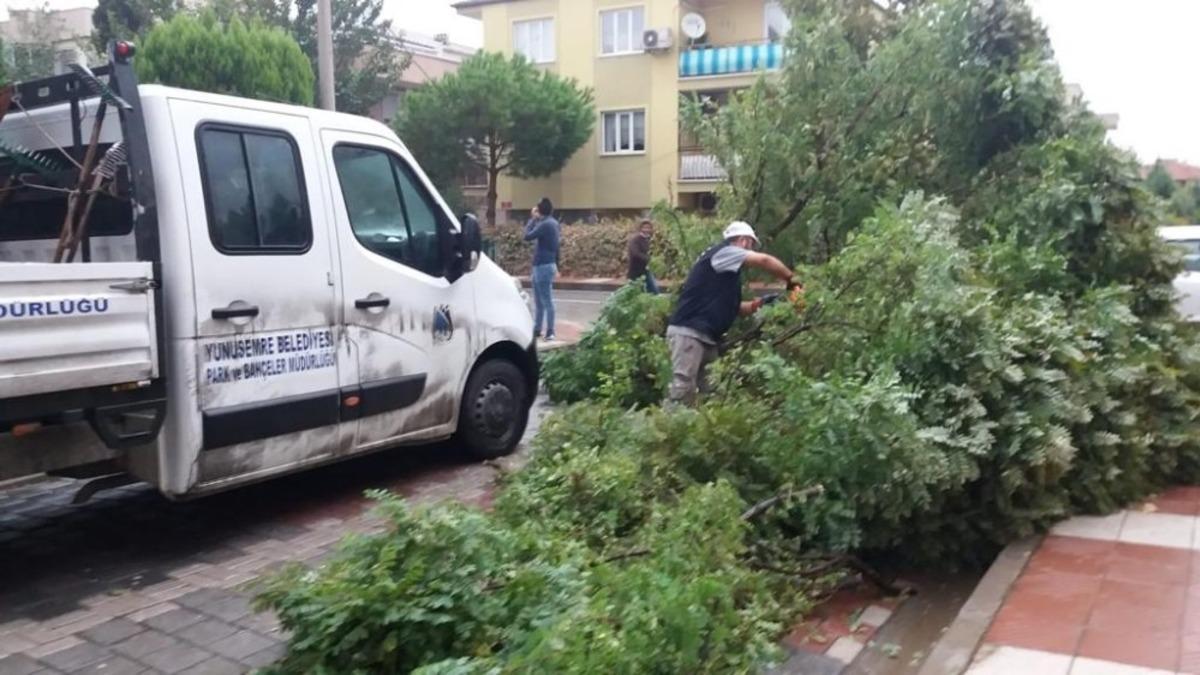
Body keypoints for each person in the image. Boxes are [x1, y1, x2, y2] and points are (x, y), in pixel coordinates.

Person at [666, 221, 800, 405]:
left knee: (713, 395)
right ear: (744, 241)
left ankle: (700, 431)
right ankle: (670, 430)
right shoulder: (724, 252)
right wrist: (792, 281)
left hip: (707, 338)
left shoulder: (725, 272)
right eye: (751, 245)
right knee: (682, 389)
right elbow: (764, 261)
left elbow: (733, 308)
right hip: (689, 333)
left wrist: (761, 303)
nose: (750, 250)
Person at [525, 197, 561, 341]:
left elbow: (527, 236)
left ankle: (550, 331)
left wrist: (532, 219)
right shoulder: (554, 223)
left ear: (540, 211)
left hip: (542, 266)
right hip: (547, 264)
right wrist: (557, 265)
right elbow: (557, 247)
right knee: (541, 300)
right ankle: (538, 328)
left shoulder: (545, 224)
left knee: (545, 300)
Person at [627, 219, 660, 294]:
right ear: (640, 228)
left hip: (645, 270)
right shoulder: (635, 240)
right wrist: (649, 259)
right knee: (635, 292)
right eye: (644, 227)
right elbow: (635, 253)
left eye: (648, 228)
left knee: (654, 290)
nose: (646, 230)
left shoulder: (648, 239)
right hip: (635, 271)